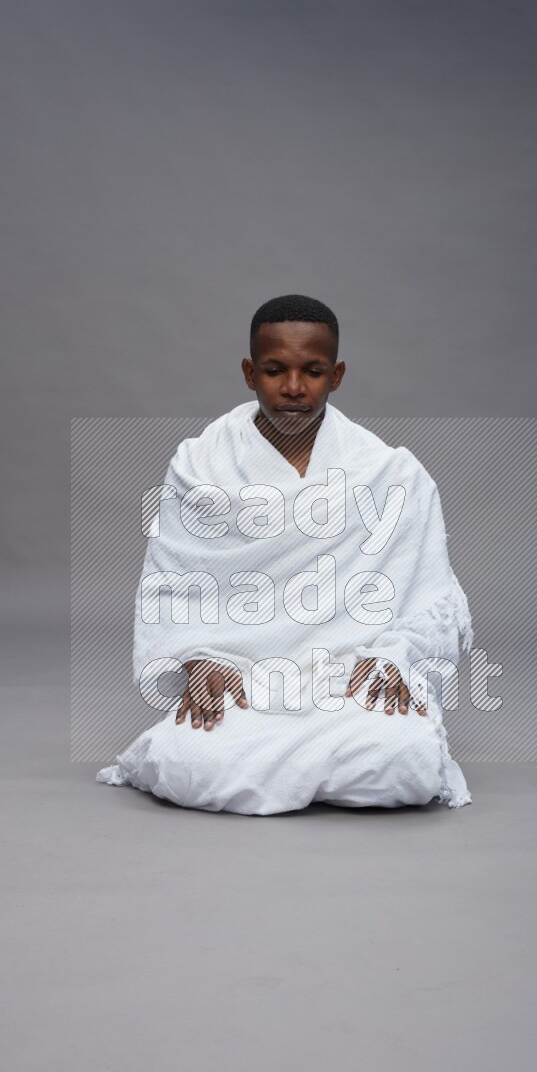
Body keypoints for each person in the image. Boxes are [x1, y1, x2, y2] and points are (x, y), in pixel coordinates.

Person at [96, 294, 474, 815]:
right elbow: (171, 583)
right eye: (275, 370)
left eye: (312, 371)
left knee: (406, 759)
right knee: (187, 761)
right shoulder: (199, 465)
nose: (293, 388)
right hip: (242, 677)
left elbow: (426, 593)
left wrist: (394, 657)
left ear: (336, 375)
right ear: (250, 372)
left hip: (350, 677)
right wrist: (199, 656)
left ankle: (296, 764)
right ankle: (319, 767)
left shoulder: (388, 472)